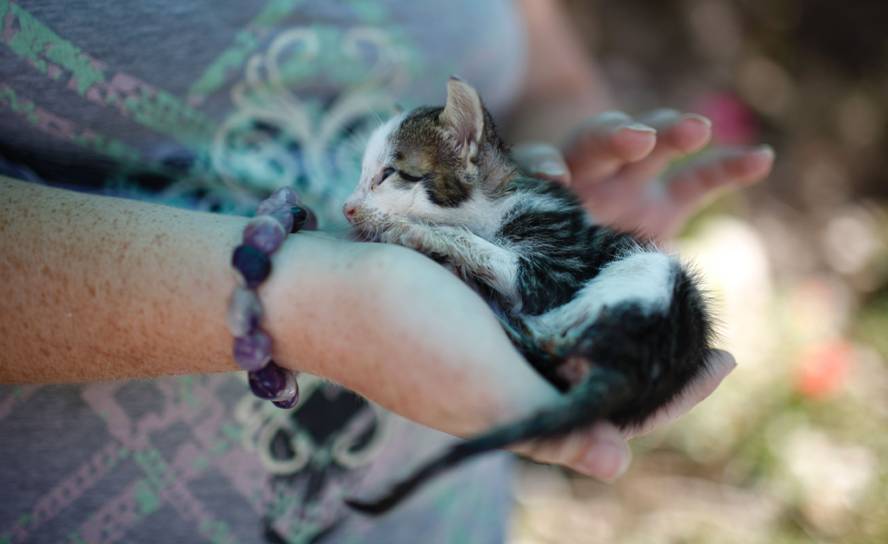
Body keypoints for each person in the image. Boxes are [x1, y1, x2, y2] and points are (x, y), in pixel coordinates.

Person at [0, 1, 773, 542]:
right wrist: (323, 306)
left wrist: (559, 179)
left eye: (380, 182)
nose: (352, 202)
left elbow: (552, 85)